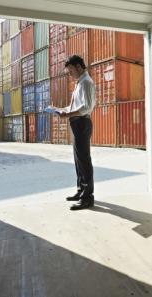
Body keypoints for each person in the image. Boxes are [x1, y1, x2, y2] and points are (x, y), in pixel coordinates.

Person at [50, 55, 96, 210]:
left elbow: (86, 107)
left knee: (84, 161)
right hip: (76, 124)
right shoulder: (79, 83)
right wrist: (60, 110)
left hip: (82, 124)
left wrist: (67, 115)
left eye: (70, 70)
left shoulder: (86, 83)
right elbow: (75, 107)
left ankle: (87, 198)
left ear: (78, 66)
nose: (70, 74)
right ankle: (80, 191)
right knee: (78, 160)